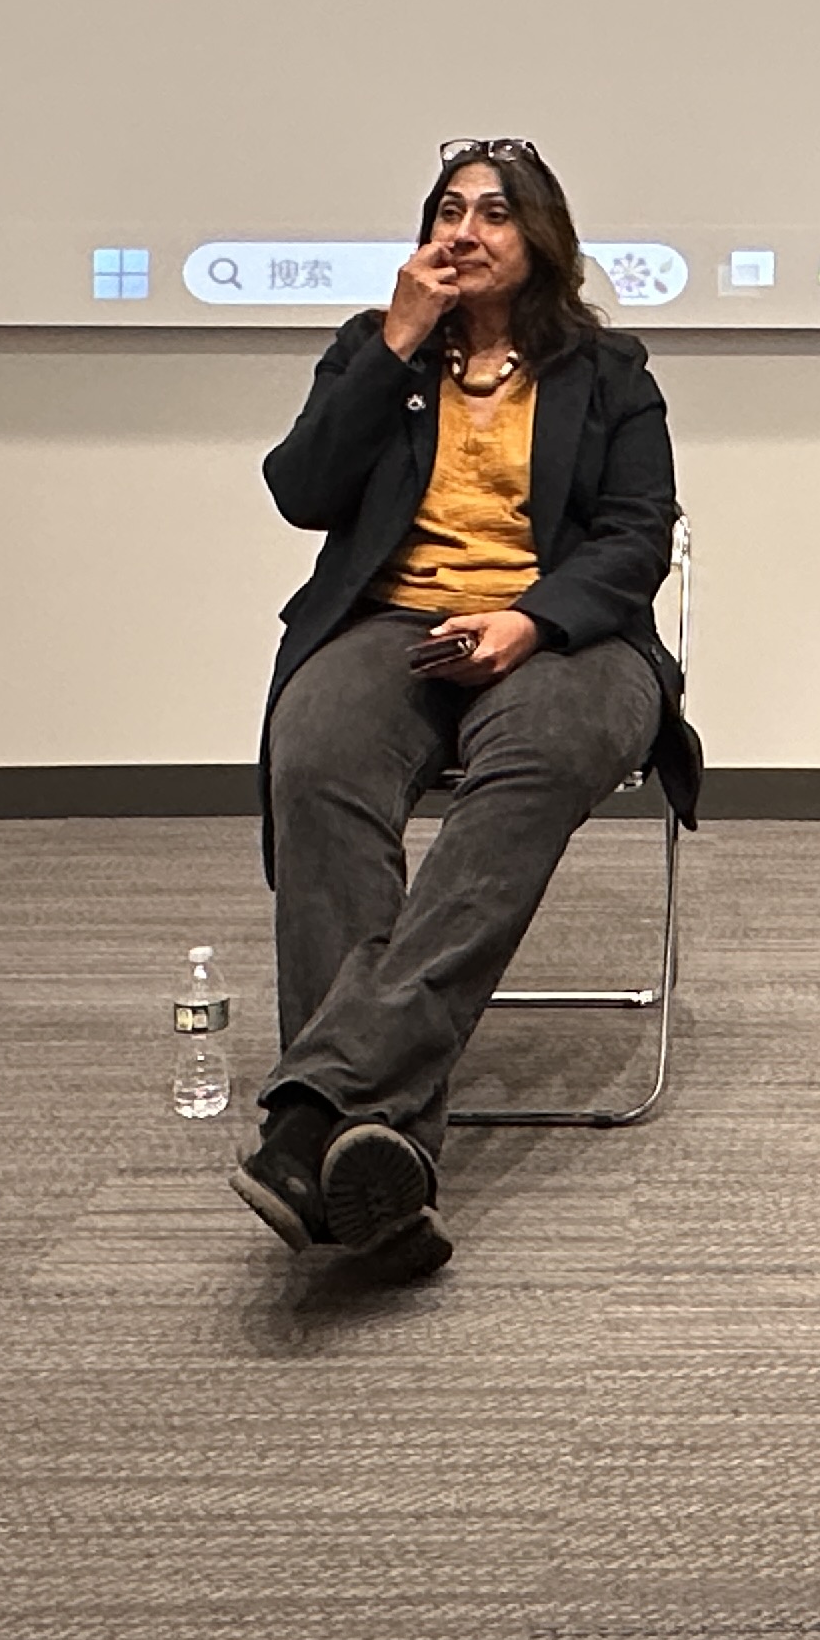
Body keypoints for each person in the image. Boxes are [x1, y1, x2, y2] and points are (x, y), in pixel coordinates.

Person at [233, 139, 696, 1273]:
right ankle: (377, 1150)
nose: (466, 231)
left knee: (531, 770)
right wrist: (394, 343)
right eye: (449, 211)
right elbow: (301, 492)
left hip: (566, 634)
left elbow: (638, 536)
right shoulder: (374, 350)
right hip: (391, 621)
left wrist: (529, 621)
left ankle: (316, 1116)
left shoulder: (609, 370)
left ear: (542, 239)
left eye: (495, 212)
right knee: (316, 762)